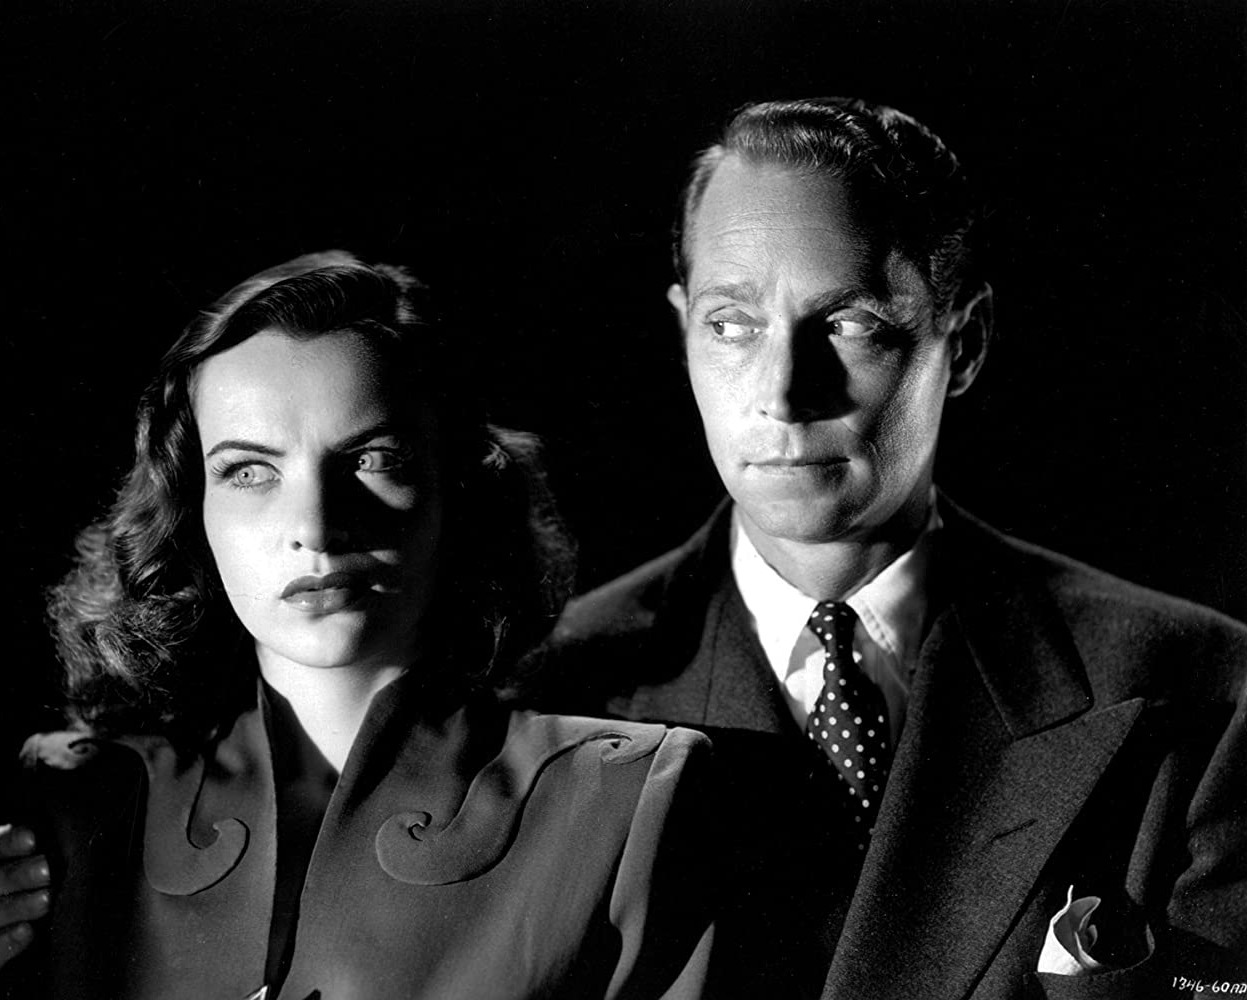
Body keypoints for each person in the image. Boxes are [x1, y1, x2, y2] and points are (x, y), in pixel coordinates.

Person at [507, 98, 1247, 998]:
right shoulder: (551, 698)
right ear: (682, 330)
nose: (783, 394)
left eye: (850, 325)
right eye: (731, 325)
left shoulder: (1201, 688)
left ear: (963, 343)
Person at [0, 251, 715, 998]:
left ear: (455, 486)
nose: (316, 529)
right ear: (192, 513)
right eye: (248, 471)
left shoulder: (625, 806)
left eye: (373, 458)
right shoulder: (79, 805)